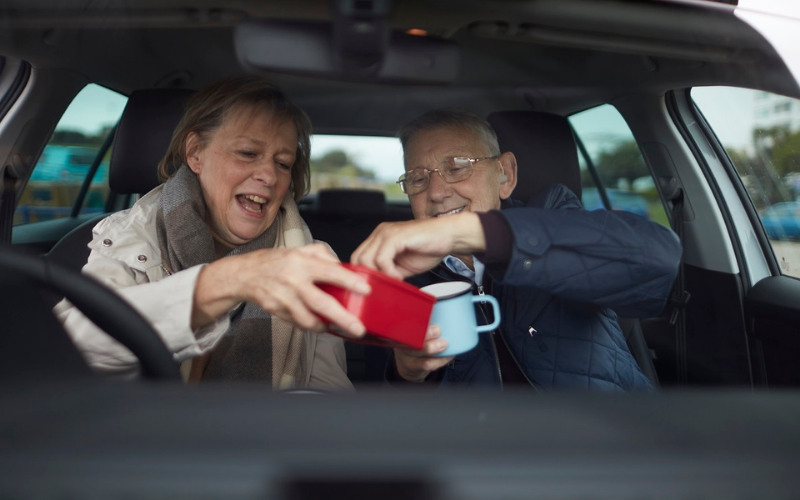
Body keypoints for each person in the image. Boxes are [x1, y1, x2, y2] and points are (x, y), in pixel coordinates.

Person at [56, 76, 371, 390]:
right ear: (195, 153)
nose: (269, 175)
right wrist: (225, 282)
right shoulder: (128, 237)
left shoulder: (312, 261)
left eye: (283, 163)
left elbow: (327, 397)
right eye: (247, 153)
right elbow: (78, 348)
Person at [352, 108, 682, 391]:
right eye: (418, 179)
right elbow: (390, 416)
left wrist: (475, 233)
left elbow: (657, 261)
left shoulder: (556, 216)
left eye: (457, 167)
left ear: (505, 175)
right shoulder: (397, 278)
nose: (437, 192)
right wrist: (407, 375)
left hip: (608, 445)